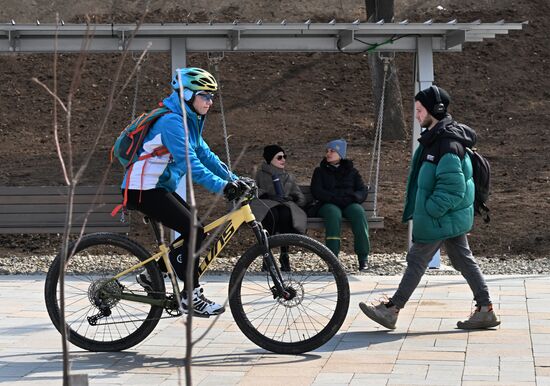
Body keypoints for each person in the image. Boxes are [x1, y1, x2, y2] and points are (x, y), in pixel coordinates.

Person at [359, 85, 500, 330]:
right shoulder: (437, 138)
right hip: (449, 217)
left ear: (436, 110)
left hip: (441, 217)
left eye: (420, 109)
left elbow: (454, 188)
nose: (416, 114)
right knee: (463, 260)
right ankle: (485, 309)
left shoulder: (446, 144)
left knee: (416, 260)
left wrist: (431, 211)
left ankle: (392, 309)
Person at [122, 67, 246, 317]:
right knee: (194, 229)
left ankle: (151, 275)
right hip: (142, 188)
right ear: (187, 95)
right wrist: (224, 187)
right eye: (205, 95)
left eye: (212, 96)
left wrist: (234, 179)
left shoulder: (189, 120)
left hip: (156, 187)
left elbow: (205, 155)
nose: (210, 102)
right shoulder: (172, 122)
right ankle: (191, 297)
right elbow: (192, 164)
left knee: (194, 229)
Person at [310, 139, 370, 272]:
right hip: (328, 204)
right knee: (333, 213)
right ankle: (332, 257)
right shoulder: (320, 171)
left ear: (340, 154)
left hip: (348, 202)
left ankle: (363, 257)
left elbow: (362, 190)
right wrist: (333, 198)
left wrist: (353, 198)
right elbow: (317, 190)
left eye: (332, 151)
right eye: (327, 151)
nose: (328, 154)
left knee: (358, 212)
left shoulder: (352, 171)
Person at [250, 145, 307, 271]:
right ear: (270, 159)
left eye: (284, 157)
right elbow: (253, 192)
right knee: (272, 215)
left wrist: (292, 198)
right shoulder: (260, 174)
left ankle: (284, 254)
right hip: (266, 207)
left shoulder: (288, 177)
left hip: (284, 206)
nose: (284, 160)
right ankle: (267, 255)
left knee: (285, 214)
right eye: (280, 157)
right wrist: (267, 194)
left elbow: (301, 198)